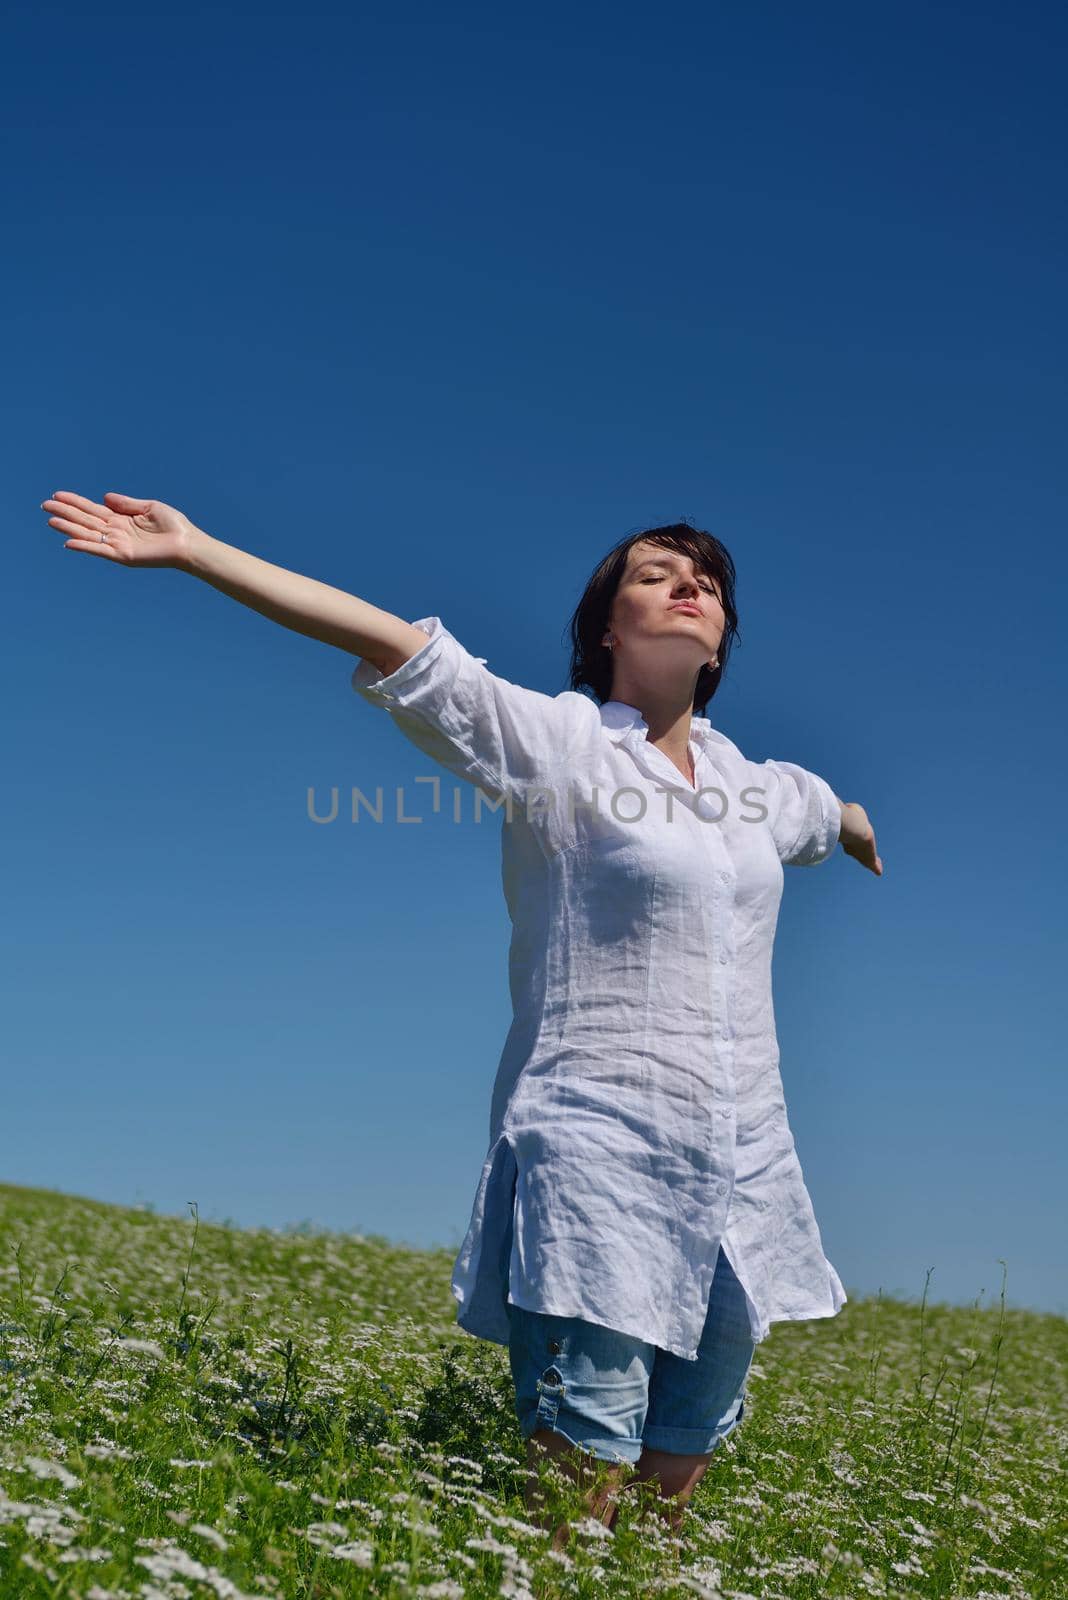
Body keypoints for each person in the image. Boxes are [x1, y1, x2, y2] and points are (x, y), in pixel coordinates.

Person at [40, 490, 881, 1547]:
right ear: (608, 628)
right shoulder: (557, 745)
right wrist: (198, 550)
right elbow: (392, 640)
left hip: (742, 1169)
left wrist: (854, 824)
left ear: (719, 647)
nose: (690, 584)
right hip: (598, 1150)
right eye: (655, 572)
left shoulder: (758, 789)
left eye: (707, 578)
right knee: (583, 1478)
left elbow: (822, 809)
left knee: (681, 1474)